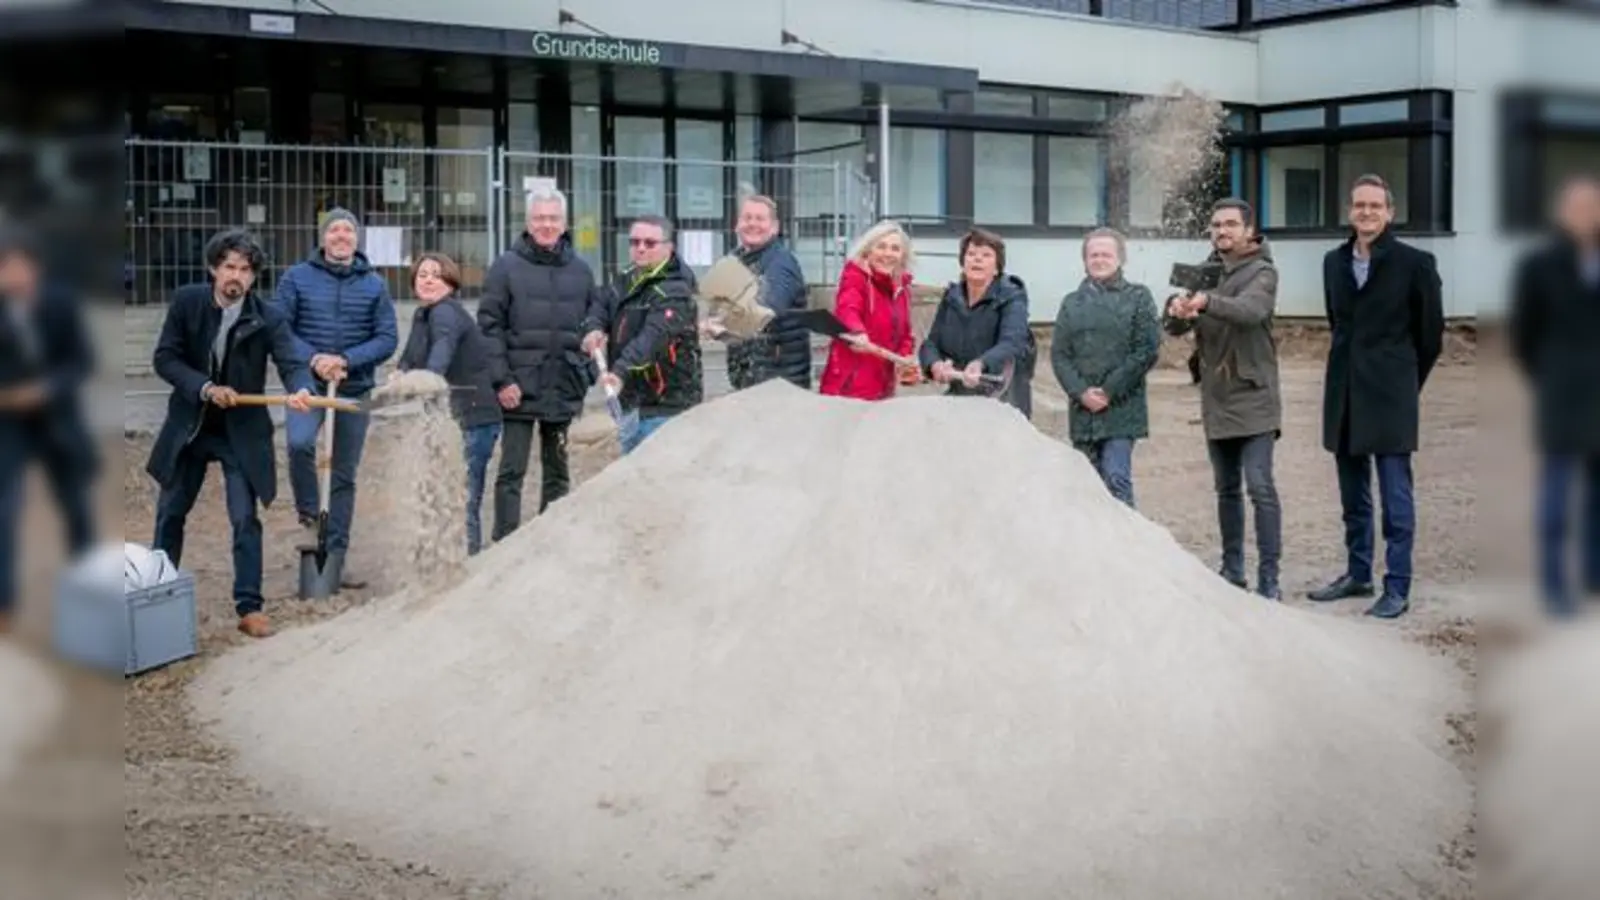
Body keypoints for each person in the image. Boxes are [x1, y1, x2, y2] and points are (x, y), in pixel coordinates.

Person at [148, 229, 313, 639]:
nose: (234, 276)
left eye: (244, 269)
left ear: (254, 276)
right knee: (171, 512)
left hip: (241, 431)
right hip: (192, 425)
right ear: (213, 268)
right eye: (228, 267)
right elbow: (165, 358)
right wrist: (204, 388)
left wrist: (301, 389)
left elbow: (291, 360)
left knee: (244, 518)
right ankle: (156, 593)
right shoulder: (188, 303)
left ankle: (249, 606)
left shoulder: (267, 315)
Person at [1307, 175, 1445, 619]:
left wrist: (1405, 383)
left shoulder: (1415, 263)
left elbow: (1430, 337)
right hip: (1344, 393)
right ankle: (1358, 573)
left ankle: (1397, 586)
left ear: (1389, 211)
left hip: (1391, 395)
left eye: (1374, 206)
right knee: (1353, 495)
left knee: (1395, 496)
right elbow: (1338, 323)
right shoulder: (1333, 262)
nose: (1366, 213)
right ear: (1351, 211)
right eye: (1358, 205)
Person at [1163, 198, 1284, 601]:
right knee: (1226, 489)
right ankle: (1233, 570)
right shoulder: (1205, 271)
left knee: (1260, 486)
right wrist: (1178, 309)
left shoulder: (1263, 272)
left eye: (1231, 224)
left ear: (1249, 230)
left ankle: (1269, 578)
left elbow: (1252, 310)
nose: (1222, 231)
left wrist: (1206, 302)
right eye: (1216, 225)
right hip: (1216, 396)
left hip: (1253, 395)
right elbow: (1174, 328)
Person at [273, 207, 397, 591]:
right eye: (334, 230)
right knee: (298, 443)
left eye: (348, 230)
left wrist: (345, 360)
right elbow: (278, 327)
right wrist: (314, 359)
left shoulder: (375, 285)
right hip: (306, 384)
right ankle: (311, 514)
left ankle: (336, 557)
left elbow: (387, 338)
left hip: (354, 386)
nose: (341, 236)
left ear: (357, 239)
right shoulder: (296, 278)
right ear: (322, 238)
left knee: (343, 474)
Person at [477, 187, 603, 539]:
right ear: (528, 222)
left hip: (563, 384)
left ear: (565, 223)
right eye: (539, 218)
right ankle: (505, 545)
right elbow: (488, 328)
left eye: (553, 218)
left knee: (558, 471)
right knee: (511, 472)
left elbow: (594, 320)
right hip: (519, 387)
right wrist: (501, 381)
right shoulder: (505, 267)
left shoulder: (580, 270)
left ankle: (550, 543)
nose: (546, 225)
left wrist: (586, 369)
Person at [1508, 174, 1600, 617]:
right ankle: (1553, 586)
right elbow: (1524, 337)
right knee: (1557, 498)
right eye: (1577, 207)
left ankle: (1593, 575)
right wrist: (1548, 376)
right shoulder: (1539, 266)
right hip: (1561, 396)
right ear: (1563, 214)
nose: (1585, 216)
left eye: (1592, 207)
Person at [0, 224, 98, 635]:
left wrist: (45, 389)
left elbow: (82, 360)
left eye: (19, 266)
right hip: (7, 424)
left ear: (36, 268)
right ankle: (4, 603)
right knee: (5, 509)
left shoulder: (61, 303)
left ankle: (91, 592)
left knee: (76, 506)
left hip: (58, 418)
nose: (12, 276)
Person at [394, 252, 503, 556]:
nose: (428, 280)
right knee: (439, 492)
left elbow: (443, 346)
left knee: (462, 498)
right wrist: (399, 375)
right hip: (445, 418)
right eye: (422, 275)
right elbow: (410, 357)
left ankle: (466, 566)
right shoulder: (422, 315)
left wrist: (430, 377)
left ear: (451, 282)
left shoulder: (446, 313)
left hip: (474, 417)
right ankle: (441, 559)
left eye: (436, 274)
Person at [1051, 228, 1162, 507]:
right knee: (1087, 485)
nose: (1099, 260)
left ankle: (1127, 547)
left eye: (1106, 254)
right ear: (1085, 260)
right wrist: (1080, 392)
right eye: (1093, 255)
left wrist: (1109, 390)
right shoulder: (1071, 303)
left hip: (1121, 408)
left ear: (1120, 258)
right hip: (1083, 410)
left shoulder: (1138, 297)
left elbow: (1146, 350)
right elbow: (1060, 355)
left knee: (1116, 479)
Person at [580, 214, 702, 455]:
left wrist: (620, 371)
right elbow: (602, 303)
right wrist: (594, 327)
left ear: (669, 247)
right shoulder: (627, 277)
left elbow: (653, 338)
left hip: (665, 407)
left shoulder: (675, 290)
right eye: (635, 242)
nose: (641, 249)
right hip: (630, 404)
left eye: (649, 243)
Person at [919, 227, 1032, 416]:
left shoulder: (1012, 297)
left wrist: (981, 363)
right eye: (971, 254)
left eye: (986, 255)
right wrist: (935, 364)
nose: (977, 259)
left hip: (1001, 398)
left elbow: (1013, 343)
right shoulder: (951, 297)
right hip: (960, 396)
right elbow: (931, 343)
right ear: (963, 263)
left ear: (997, 268)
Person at [818, 219, 921, 401]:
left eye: (895, 248)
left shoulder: (902, 290)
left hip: (883, 388)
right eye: (881, 246)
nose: (887, 254)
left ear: (903, 256)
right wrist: (856, 331)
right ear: (868, 250)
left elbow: (904, 334)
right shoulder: (855, 277)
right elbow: (847, 308)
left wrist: (905, 361)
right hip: (847, 388)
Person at [721, 194, 812, 390]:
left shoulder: (780, 262)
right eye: (747, 218)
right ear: (737, 224)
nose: (752, 224)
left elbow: (770, 307)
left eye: (760, 219)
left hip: (779, 384)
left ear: (774, 227)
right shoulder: (737, 259)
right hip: (751, 378)